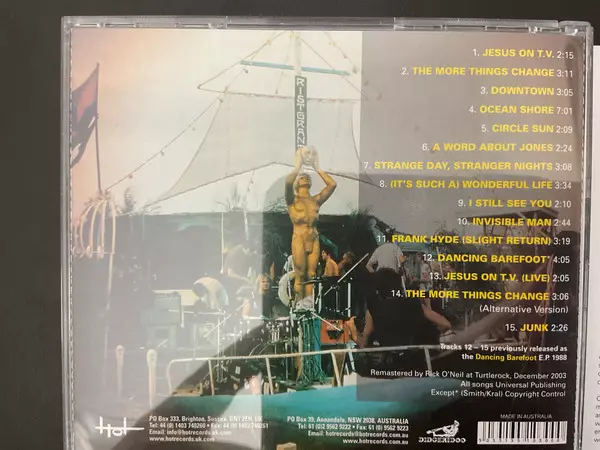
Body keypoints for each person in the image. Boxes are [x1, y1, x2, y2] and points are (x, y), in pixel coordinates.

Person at [285, 146, 336, 304]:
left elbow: (332, 184)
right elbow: (288, 181)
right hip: (299, 237)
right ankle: (299, 305)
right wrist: (298, 165)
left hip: (313, 238)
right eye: (302, 177)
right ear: (297, 182)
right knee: (300, 273)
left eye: (308, 177)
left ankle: (309, 306)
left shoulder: (315, 201)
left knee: (312, 275)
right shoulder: (292, 200)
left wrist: (317, 167)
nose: (305, 178)